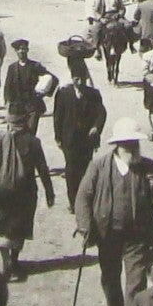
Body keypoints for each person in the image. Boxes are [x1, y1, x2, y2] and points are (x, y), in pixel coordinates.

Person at [74, 118, 153, 306]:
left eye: (135, 143)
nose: (132, 148)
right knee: (109, 276)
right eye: (128, 144)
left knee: (136, 279)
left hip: (138, 234)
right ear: (117, 145)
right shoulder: (99, 166)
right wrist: (85, 226)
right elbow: (83, 196)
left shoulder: (147, 166)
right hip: (107, 233)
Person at [0, 105, 56, 281]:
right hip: (23, 191)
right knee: (18, 227)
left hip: (0, 190)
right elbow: (42, 169)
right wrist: (50, 193)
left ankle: (5, 258)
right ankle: (14, 259)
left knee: (0, 225)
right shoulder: (33, 142)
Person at [52, 45, 106, 204]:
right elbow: (57, 117)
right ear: (72, 78)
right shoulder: (63, 94)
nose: (80, 82)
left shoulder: (93, 94)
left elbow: (101, 113)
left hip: (87, 140)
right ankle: (73, 201)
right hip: (69, 139)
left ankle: (84, 200)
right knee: (71, 170)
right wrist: (58, 137)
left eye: (82, 78)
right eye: (77, 79)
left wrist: (96, 127)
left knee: (86, 170)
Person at [4, 38, 57, 126]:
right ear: (16, 51)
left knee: (31, 130)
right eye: (18, 49)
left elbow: (53, 79)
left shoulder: (35, 66)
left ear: (27, 50)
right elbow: (8, 86)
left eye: (23, 49)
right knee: (19, 130)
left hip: (33, 105)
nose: (21, 51)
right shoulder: (12, 68)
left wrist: (44, 93)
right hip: (18, 107)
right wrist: (7, 101)